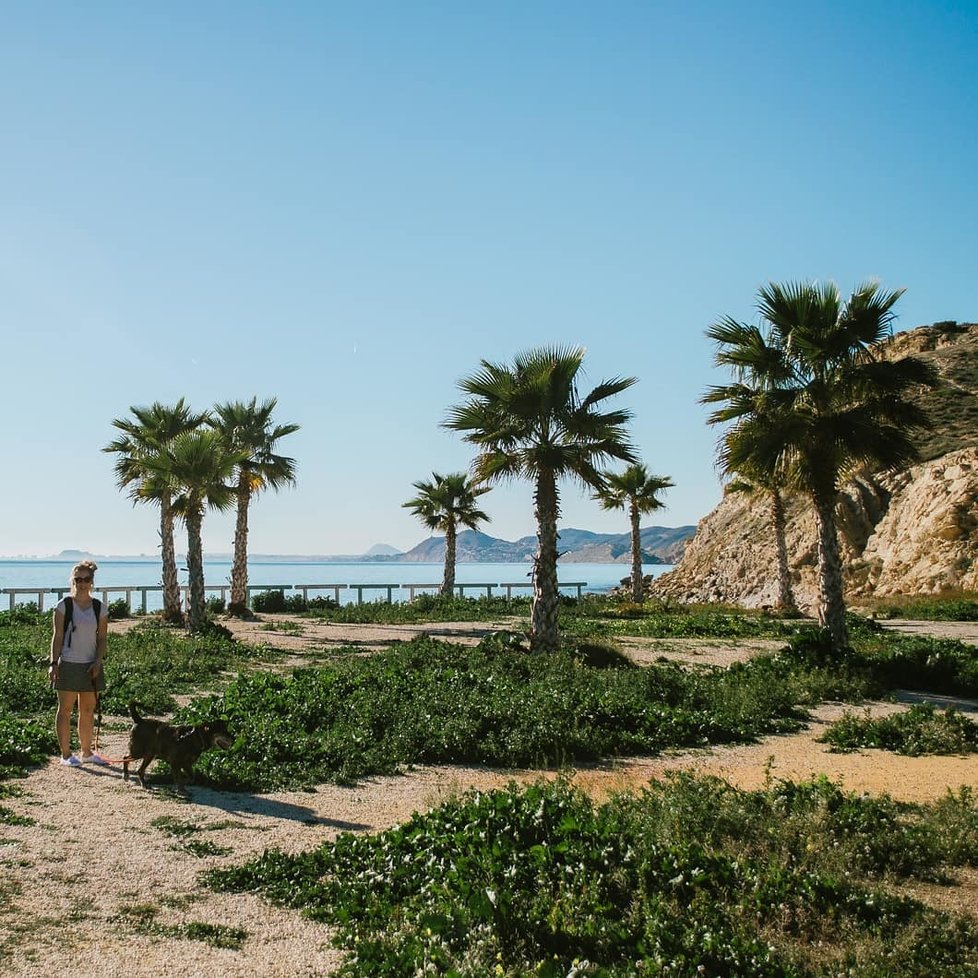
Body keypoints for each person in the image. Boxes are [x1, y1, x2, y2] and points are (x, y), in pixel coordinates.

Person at [49, 560, 110, 767]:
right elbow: (57, 637)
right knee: (65, 710)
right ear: (73, 581)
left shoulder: (99, 608)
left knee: (87, 710)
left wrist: (98, 661)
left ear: (92, 581)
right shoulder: (63, 606)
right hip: (68, 663)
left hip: (90, 665)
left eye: (86, 579)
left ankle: (86, 752)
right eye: (78, 579)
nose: (82, 583)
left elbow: (102, 639)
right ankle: (66, 754)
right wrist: (53, 663)